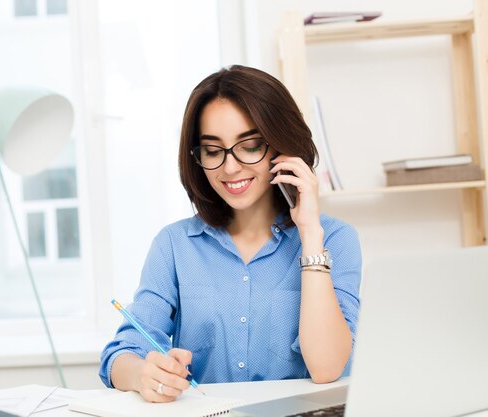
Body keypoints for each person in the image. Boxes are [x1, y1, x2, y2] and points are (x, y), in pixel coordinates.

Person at [99, 65, 361, 403]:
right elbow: (122, 354)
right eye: (212, 150)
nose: (230, 167)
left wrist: (310, 232)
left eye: (249, 145)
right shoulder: (174, 246)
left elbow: (327, 367)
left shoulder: (335, 239)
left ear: (282, 147)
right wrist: (143, 374)